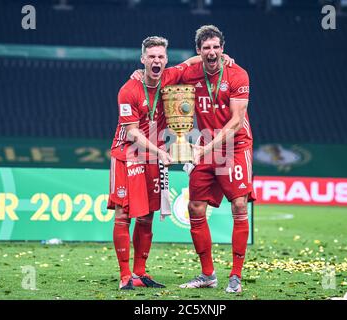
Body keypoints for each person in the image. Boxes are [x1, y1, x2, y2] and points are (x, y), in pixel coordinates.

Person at [108, 36, 215, 290]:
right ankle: (125, 277)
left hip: (154, 157)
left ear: (165, 60)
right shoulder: (128, 90)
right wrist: (161, 151)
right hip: (126, 154)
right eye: (151, 56)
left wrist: (225, 59)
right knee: (124, 214)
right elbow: (132, 133)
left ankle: (140, 273)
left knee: (147, 215)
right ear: (142, 59)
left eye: (160, 57)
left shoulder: (168, 76)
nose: (156, 61)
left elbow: (191, 62)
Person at [178, 25, 255, 293]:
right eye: (206, 48)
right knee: (195, 208)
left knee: (239, 207)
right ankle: (208, 274)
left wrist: (203, 147)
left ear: (223, 48)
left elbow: (236, 122)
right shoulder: (193, 71)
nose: (212, 53)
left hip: (235, 146)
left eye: (216, 47)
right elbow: (170, 74)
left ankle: (235, 275)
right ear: (199, 51)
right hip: (206, 147)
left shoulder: (238, 74)